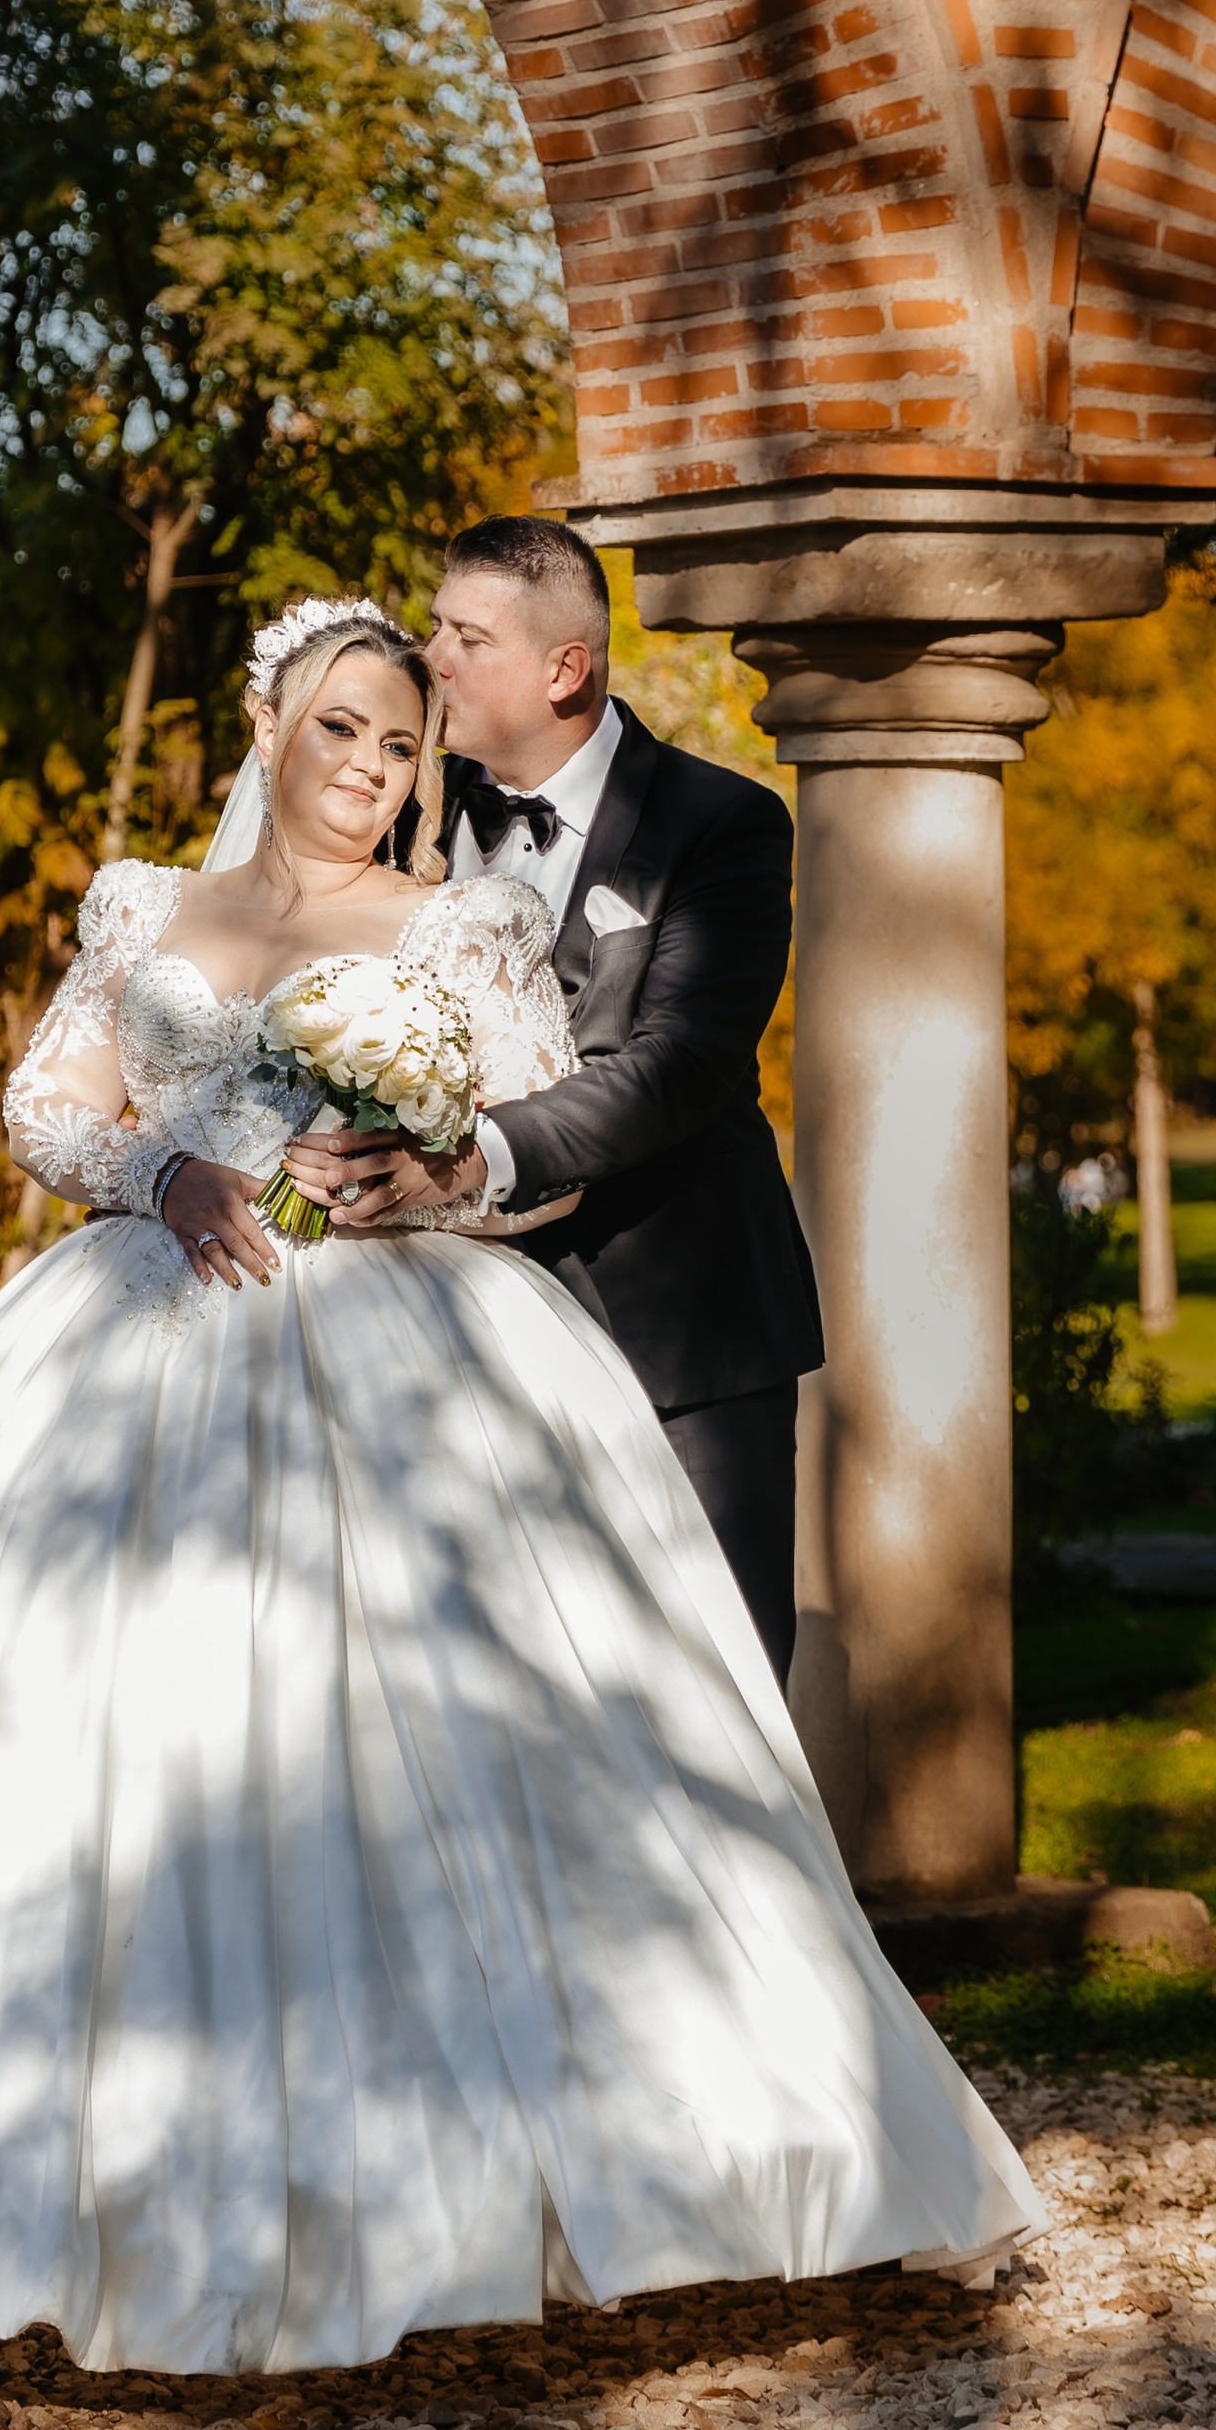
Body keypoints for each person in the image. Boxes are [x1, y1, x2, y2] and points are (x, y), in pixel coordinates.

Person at [0, 593, 1036, 2372]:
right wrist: (157, 1175)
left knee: (437, 1749)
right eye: (341, 725)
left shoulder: (465, 924)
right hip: (135, 1330)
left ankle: (534, 2170)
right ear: (272, 725)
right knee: (58, 1741)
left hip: (407, 1364)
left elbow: (541, 1157)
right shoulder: (144, 906)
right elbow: (48, 1105)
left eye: (403, 739)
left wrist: (421, 1177)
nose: (369, 764)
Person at [284, 520, 821, 1686]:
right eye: (433, 628)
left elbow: (678, 1067)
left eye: (465, 638)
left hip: (675, 1334)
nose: (431, 659)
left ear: (562, 670)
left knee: (708, 1691)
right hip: (454, 1348)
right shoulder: (405, 815)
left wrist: (471, 1161)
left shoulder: (719, 828)